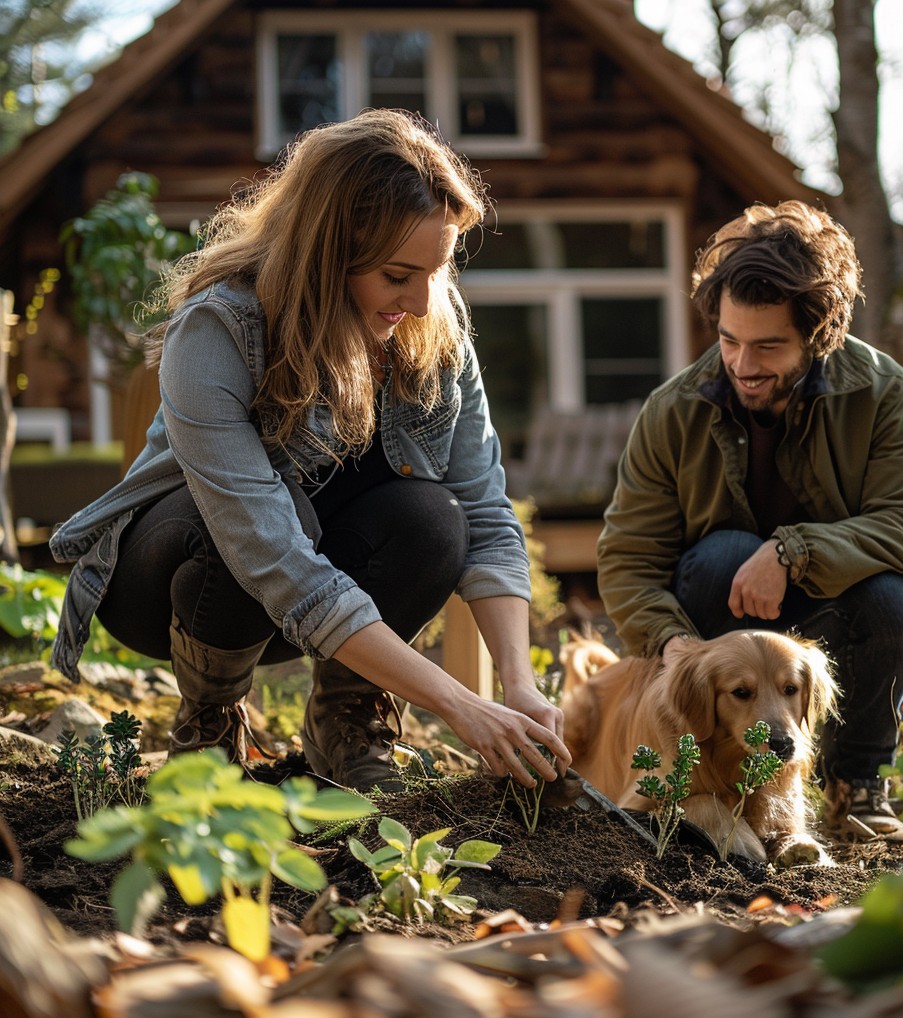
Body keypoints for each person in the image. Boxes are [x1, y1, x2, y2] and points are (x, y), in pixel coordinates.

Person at [49, 109, 569, 793]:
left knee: (437, 516)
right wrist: (458, 704)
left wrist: (518, 685)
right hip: (175, 581)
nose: (420, 301)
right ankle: (210, 724)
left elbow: (486, 511)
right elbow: (269, 550)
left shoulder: (434, 334)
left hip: (314, 586)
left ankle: (346, 720)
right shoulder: (218, 330)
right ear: (328, 255)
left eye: (436, 273)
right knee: (271, 514)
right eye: (396, 275)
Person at [596, 200, 903, 840]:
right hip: (720, 635)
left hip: (836, 619)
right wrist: (674, 644)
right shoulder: (672, 411)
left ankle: (856, 783)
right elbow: (627, 561)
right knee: (723, 554)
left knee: (898, 602)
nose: (743, 364)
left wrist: (793, 552)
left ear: (819, 336)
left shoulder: (887, 394)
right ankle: (705, 781)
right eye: (729, 341)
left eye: (768, 346)